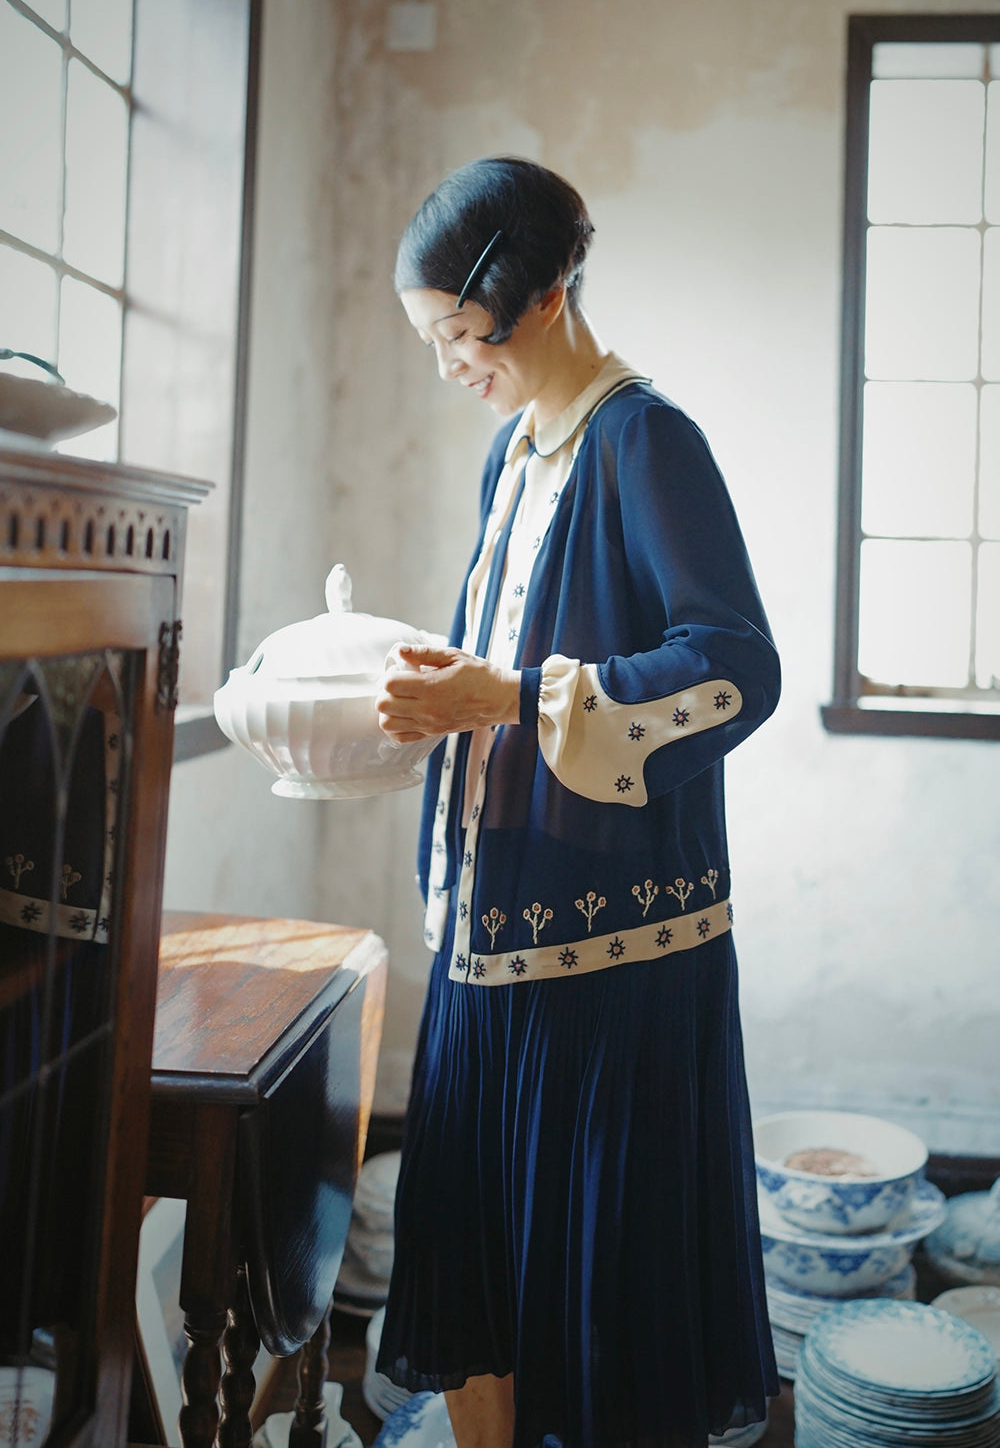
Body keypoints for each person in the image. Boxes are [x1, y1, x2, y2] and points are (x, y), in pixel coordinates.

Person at [374, 156, 781, 1448]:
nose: (449, 366)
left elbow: (734, 668)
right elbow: (507, 658)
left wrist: (505, 700)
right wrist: (449, 690)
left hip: (607, 965)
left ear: (540, 296)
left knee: (602, 1315)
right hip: (483, 948)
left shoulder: (644, 440)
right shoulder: (515, 455)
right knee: (472, 1269)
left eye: (457, 334)